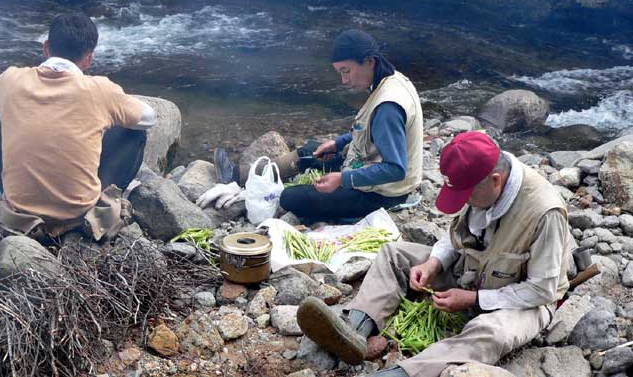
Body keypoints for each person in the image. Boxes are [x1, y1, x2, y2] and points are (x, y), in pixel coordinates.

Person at [296, 131, 573, 377]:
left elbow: (542, 290)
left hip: (521, 300)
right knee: (394, 254)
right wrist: (433, 263)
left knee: (491, 332)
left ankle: (402, 373)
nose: (463, 202)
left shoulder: (544, 212)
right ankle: (355, 329)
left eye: (466, 196)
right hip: (471, 271)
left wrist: (474, 299)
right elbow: (456, 236)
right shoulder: (480, 183)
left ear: (496, 181)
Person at [0, 12, 156, 241]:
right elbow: (150, 117)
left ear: (46, 48)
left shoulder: (11, 79)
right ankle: (103, 200)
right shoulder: (100, 89)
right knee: (133, 133)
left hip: (19, 211)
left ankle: (0, 192)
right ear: (89, 59)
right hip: (77, 213)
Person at [213, 29, 423, 221]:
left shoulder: (388, 107)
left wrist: (343, 179)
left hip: (384, 194)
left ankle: (255, 188)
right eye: (340, 72)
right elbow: (371, 131)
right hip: (369, 165)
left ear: (369, 61)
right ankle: (238, 175)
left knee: (291, 197)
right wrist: (338, 143)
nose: (344, 80)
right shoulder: (390, 78)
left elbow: (396, 169)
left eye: (346, 71)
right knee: (312, 150)